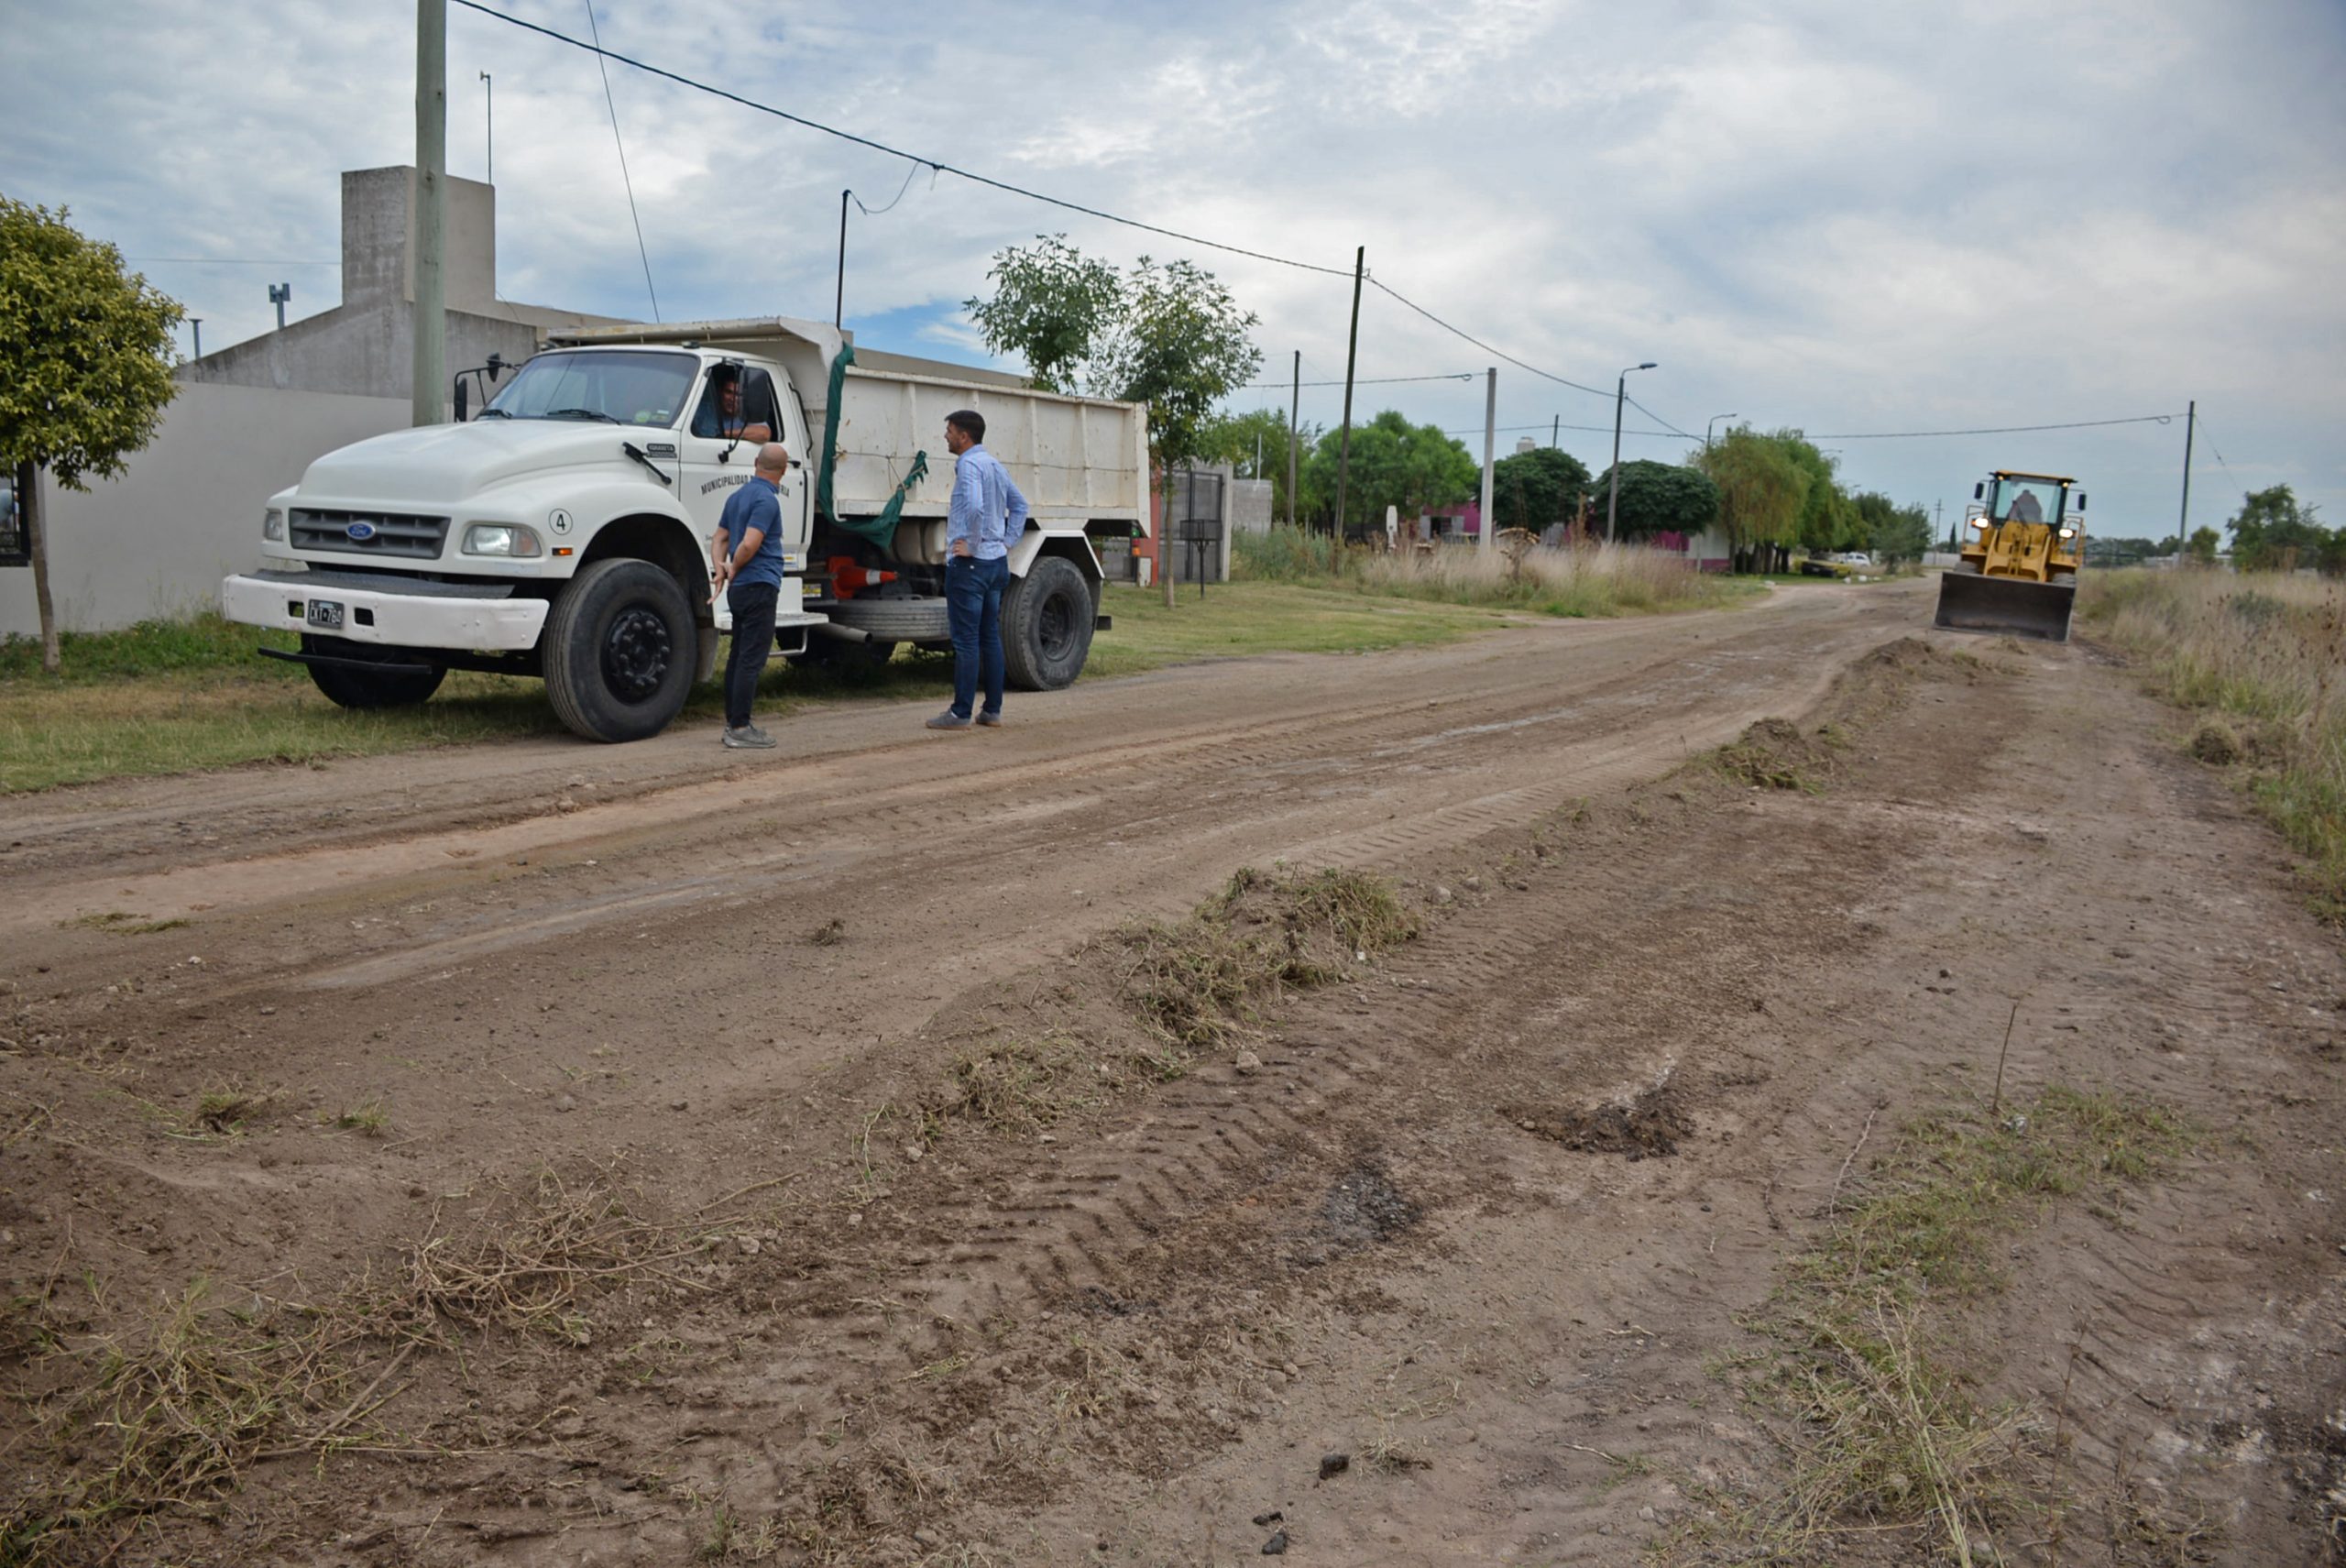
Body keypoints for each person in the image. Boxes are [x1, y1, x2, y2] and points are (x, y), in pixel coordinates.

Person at [926, 409, 1028, 731]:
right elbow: (1021, 505)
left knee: (967, 640)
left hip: (971, 565)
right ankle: (992, 711)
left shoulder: (969, 464)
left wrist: (972, 543)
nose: (946, 435)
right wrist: (1006, 542)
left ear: (964, 436)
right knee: (990, 638)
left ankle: (959, 713)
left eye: (950, 430)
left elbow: (973, 507)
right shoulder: (994, 465)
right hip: (995, 562)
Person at [711, 442, 790, 749]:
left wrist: (719, 569)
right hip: (759, 584)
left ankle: (733, 722)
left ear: (756, 462)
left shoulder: (737, 496)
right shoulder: (768, 501)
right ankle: (741, 727)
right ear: (783, 472)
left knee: (737, 656)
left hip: (740, 590)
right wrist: (732, 568)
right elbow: (749, 544)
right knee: (751, 659)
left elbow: (720, 537)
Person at [692, 367, 773, 443]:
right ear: (720, 392)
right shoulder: (704, 410)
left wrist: (722, 434)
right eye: (729, 392)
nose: (733, 399)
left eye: (738, 394)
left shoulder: (748, 414)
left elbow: (764, 434)